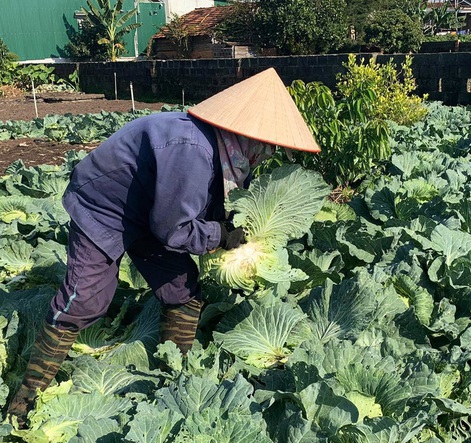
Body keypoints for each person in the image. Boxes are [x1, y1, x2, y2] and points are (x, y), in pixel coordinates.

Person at [6, 67, 320, 421]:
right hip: (104, 206)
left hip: (149, 212)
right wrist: (219, 235)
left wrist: (226, 225)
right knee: (87, 299)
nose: (267, 152)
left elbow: (191, 205)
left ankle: (174, 376)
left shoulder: (220, 147)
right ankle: (25, 397)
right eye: (267, 144)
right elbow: (173, 229)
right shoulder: (193, 149)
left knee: (181, 287)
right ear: (246, 135)